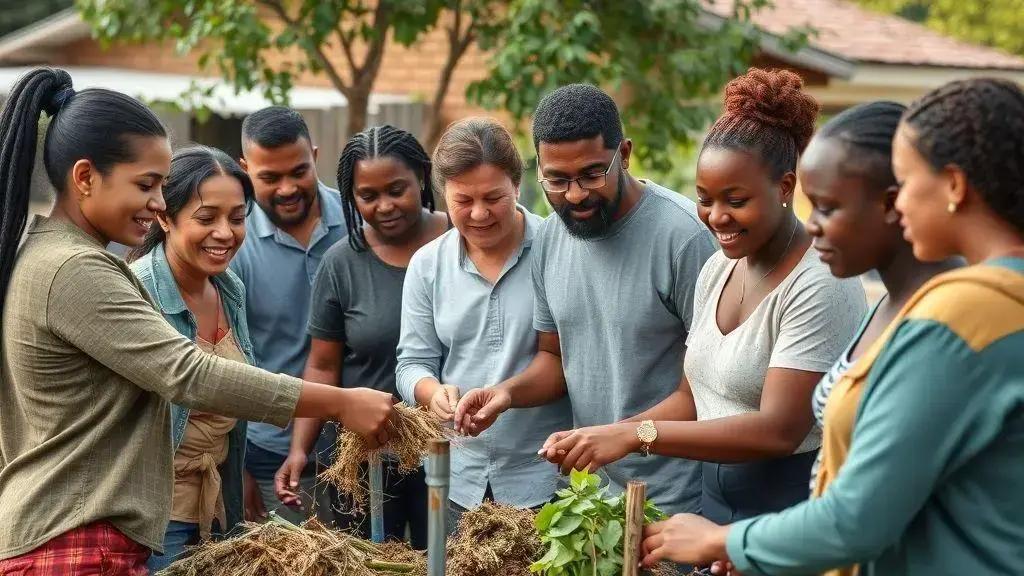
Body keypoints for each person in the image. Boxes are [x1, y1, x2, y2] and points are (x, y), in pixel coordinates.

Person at [0, 68, 393, 574]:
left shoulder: (60, 257)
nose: (160, 203)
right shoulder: (75, 269)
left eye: (162, 186)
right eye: (146, 185)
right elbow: (189, 374)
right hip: (76, 542)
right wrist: (340, 403)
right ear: (84, 177)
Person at [640, 78, 1024, 576]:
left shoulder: (966, 314)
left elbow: (858, 519)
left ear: (953, 185)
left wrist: (727, 541)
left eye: (903, 186)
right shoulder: (934, 303)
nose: (897, 204)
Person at [538, 69, 866, 524]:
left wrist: (637, 437)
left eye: (736, 200)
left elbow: (778, 432)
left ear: (785, 188)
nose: (716, 217)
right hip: (714, 500)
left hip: (788, 503)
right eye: (705, 198)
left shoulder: (819, 282)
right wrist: (611, 433)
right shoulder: (721, 267)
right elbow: (695, 398)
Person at [455, 85, 718, 515]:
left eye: (593, 174)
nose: (575, 194)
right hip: (591, 503)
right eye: (556, 180)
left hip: (675, 503)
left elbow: (709, 390)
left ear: (625, 154)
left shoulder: (684, 239)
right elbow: (554, 358)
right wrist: (506, 393)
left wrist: (621, 435)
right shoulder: (552, 238)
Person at [397, 117, 574, 531]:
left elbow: (568, 361)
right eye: (463, 201)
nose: (479, 213)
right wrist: (432, 392)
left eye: (494, 197)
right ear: (442, 194)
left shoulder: (560, 252)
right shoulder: (427, 265)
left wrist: (505, 394)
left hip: (546, 474)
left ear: (517, 185)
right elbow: (411, 362)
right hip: (458, 478)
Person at [277, 125, 448, 548]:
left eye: (397, 190)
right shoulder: (342, 263)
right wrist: (300, 448)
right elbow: (322, 364)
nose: (384, 206)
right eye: (367, 196)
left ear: (422, 178)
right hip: (365, 454)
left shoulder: (459, 241)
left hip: (449, 449)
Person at [126, 146, 260, 571]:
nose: (225, 233)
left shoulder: (229, 288)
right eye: (206, 219)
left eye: (237, 219)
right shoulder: (136, 292)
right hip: (155, 518)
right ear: (164, 216)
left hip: (217, 510)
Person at [233, 106, 348, 525]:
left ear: (315, 156)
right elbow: (223, 358)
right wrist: (237, 467)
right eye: (269, 178)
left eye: (298, 172)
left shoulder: (358, 222)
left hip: (356, 446)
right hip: (269, 452)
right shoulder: (233, 241)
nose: (287, 188)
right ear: (246, 170)